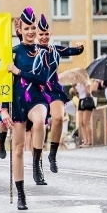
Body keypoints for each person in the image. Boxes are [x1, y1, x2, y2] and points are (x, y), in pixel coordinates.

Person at [7, 8, 51, 210]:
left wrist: (19, 71)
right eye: (28, 28)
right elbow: (0, 83)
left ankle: (36, 161)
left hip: (36, 97)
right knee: (17, 150)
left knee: (40, 121)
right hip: (17, 101)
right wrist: (1, 109)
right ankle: (21, 194)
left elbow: (42, 77)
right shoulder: (12, 53)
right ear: (20, 30)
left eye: (34, 27)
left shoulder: (43, 51)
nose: (32, 31)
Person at [35, 14, 84, 173]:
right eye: (40, 34)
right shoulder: (31, 51)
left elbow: (73, 51)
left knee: (57, 118)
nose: (43, 37)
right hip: (36, 89)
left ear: (50, 34)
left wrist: (80, 47)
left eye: (46, 34)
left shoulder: (55, 50)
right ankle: (37, 159)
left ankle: (52, 155)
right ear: (36, 34)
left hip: (53, 88)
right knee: (39, 125)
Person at [73, 77, 95, 147]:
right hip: (81, 101)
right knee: (81, 123)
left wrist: (84, 85)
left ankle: (89, 141)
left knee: (86, 122)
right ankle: (85, 141)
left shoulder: (87, 82)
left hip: (87, 101)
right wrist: (75, 88)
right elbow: (78, 95)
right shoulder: (78, 84)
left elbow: (88, 93)